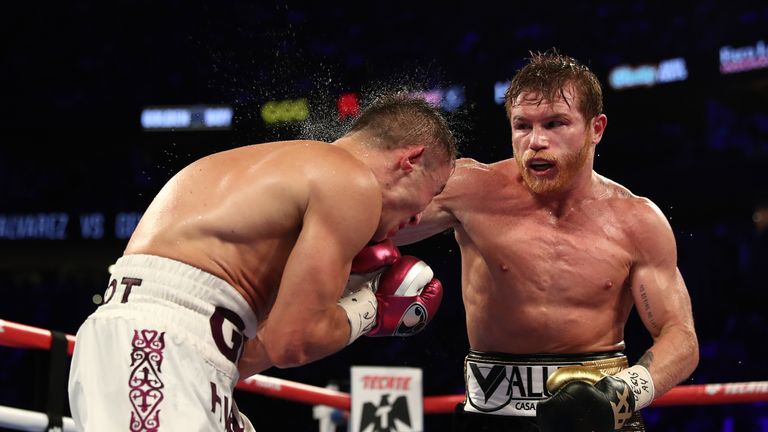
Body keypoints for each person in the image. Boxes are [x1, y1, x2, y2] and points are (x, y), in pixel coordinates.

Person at [67, 94, 457, 431]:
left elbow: (249, 351)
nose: (421, 216)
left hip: (165, 350)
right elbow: (294, 344)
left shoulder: (284, 172)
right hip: (154, 347)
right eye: (435, 188)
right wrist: (373, 309)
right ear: (411, 159)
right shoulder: (352, 182)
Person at [394, 51, 699, 431]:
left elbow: (680, 338)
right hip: (491, 418)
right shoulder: (468, 191)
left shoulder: (636, 220)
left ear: (596, 128)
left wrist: (622, 394)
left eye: (555, 124)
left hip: (599, 417)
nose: (536, 141)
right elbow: (368, 225)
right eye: (523, 126)